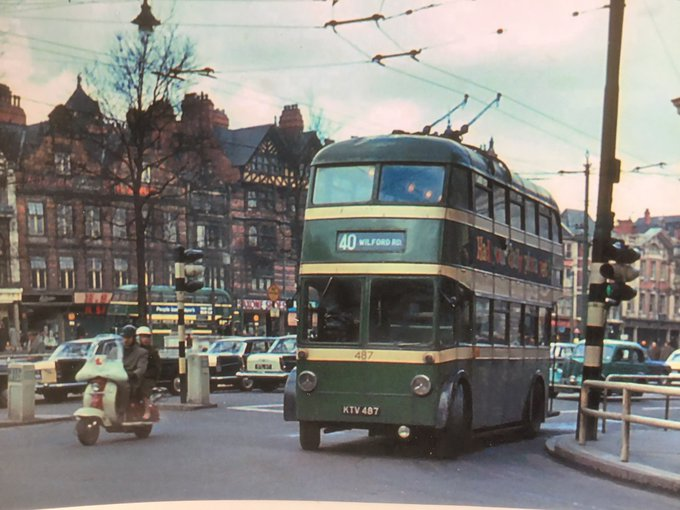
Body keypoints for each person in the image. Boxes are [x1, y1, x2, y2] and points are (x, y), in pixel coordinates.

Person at [119, 324, 148, 420]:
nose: (125, 340)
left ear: (134, 338)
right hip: (116, 376)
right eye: (124, 337)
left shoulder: (141, 352)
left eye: (128, 337)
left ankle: (122, 411)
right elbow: (108, 361)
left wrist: (134, 374)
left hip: (131, 379)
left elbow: (141, 368)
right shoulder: (117, 350)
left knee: (125, 387)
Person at [136, 326, 160, 420]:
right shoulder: (133, 350)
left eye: (147, 337)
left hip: (148, 377)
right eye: (143, 336)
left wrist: (145, 375)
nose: (145, 339)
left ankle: (147, 411)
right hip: (136, 375)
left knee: (143, 389)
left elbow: (156, 368)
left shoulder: (152, 352)